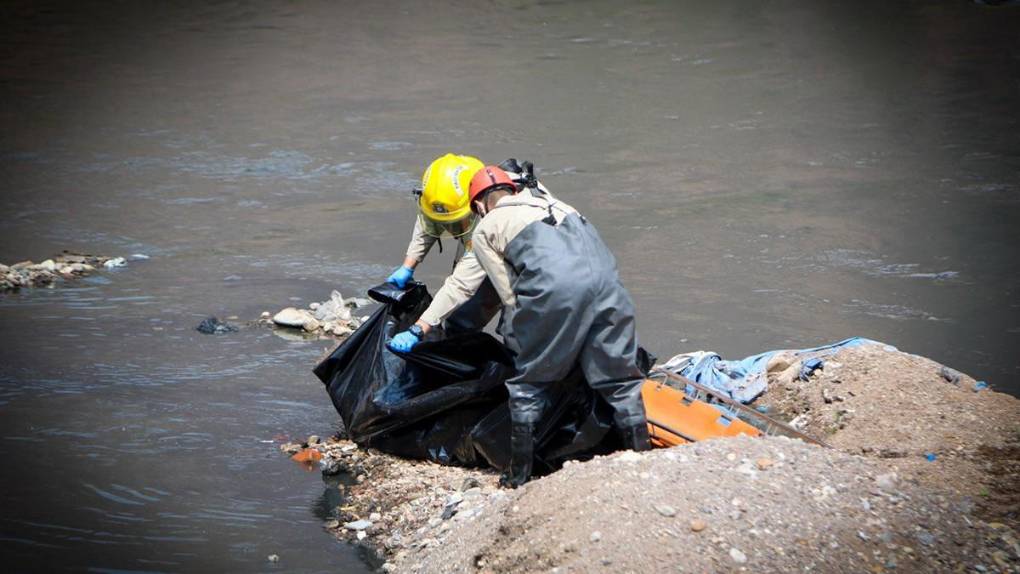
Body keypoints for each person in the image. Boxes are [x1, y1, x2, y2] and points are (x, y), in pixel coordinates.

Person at [470, 165, 650, 486]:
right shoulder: (560, 204)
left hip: (556, 290)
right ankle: (642, 459)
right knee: (619, 379)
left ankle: (519, 475)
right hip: (609, 283)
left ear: (480, 205)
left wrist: (522, 337)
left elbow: (508, 293)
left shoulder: (485, 228)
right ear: (514, 189)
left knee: (529, 383)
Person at [384, 153, 502, 352]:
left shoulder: (490, 218)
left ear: (476, 203)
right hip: (474, 237)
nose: (449, 227)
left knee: (483, 319)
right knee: (455, 319)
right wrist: (408, 266)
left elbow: (461, 285)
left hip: (517, 261)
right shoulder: (441, 196)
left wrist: (418, 329)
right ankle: (460, 355)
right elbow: (427, 223)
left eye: (455, 222)